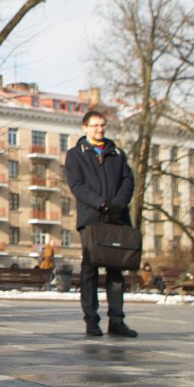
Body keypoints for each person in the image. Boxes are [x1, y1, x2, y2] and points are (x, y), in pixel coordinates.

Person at [65, 110, 138, 338]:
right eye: (95, 125)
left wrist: (117, 204)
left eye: (103, 125)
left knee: (116, 271)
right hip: (91, 219)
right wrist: (101, 204)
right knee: (90, 270)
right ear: (85, 127)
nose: (100, 129)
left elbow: (128, 181)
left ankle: (117, 320)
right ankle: (91, 320)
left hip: (117, 218)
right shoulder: (76, 154)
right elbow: (77, 185)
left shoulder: (117, 153)